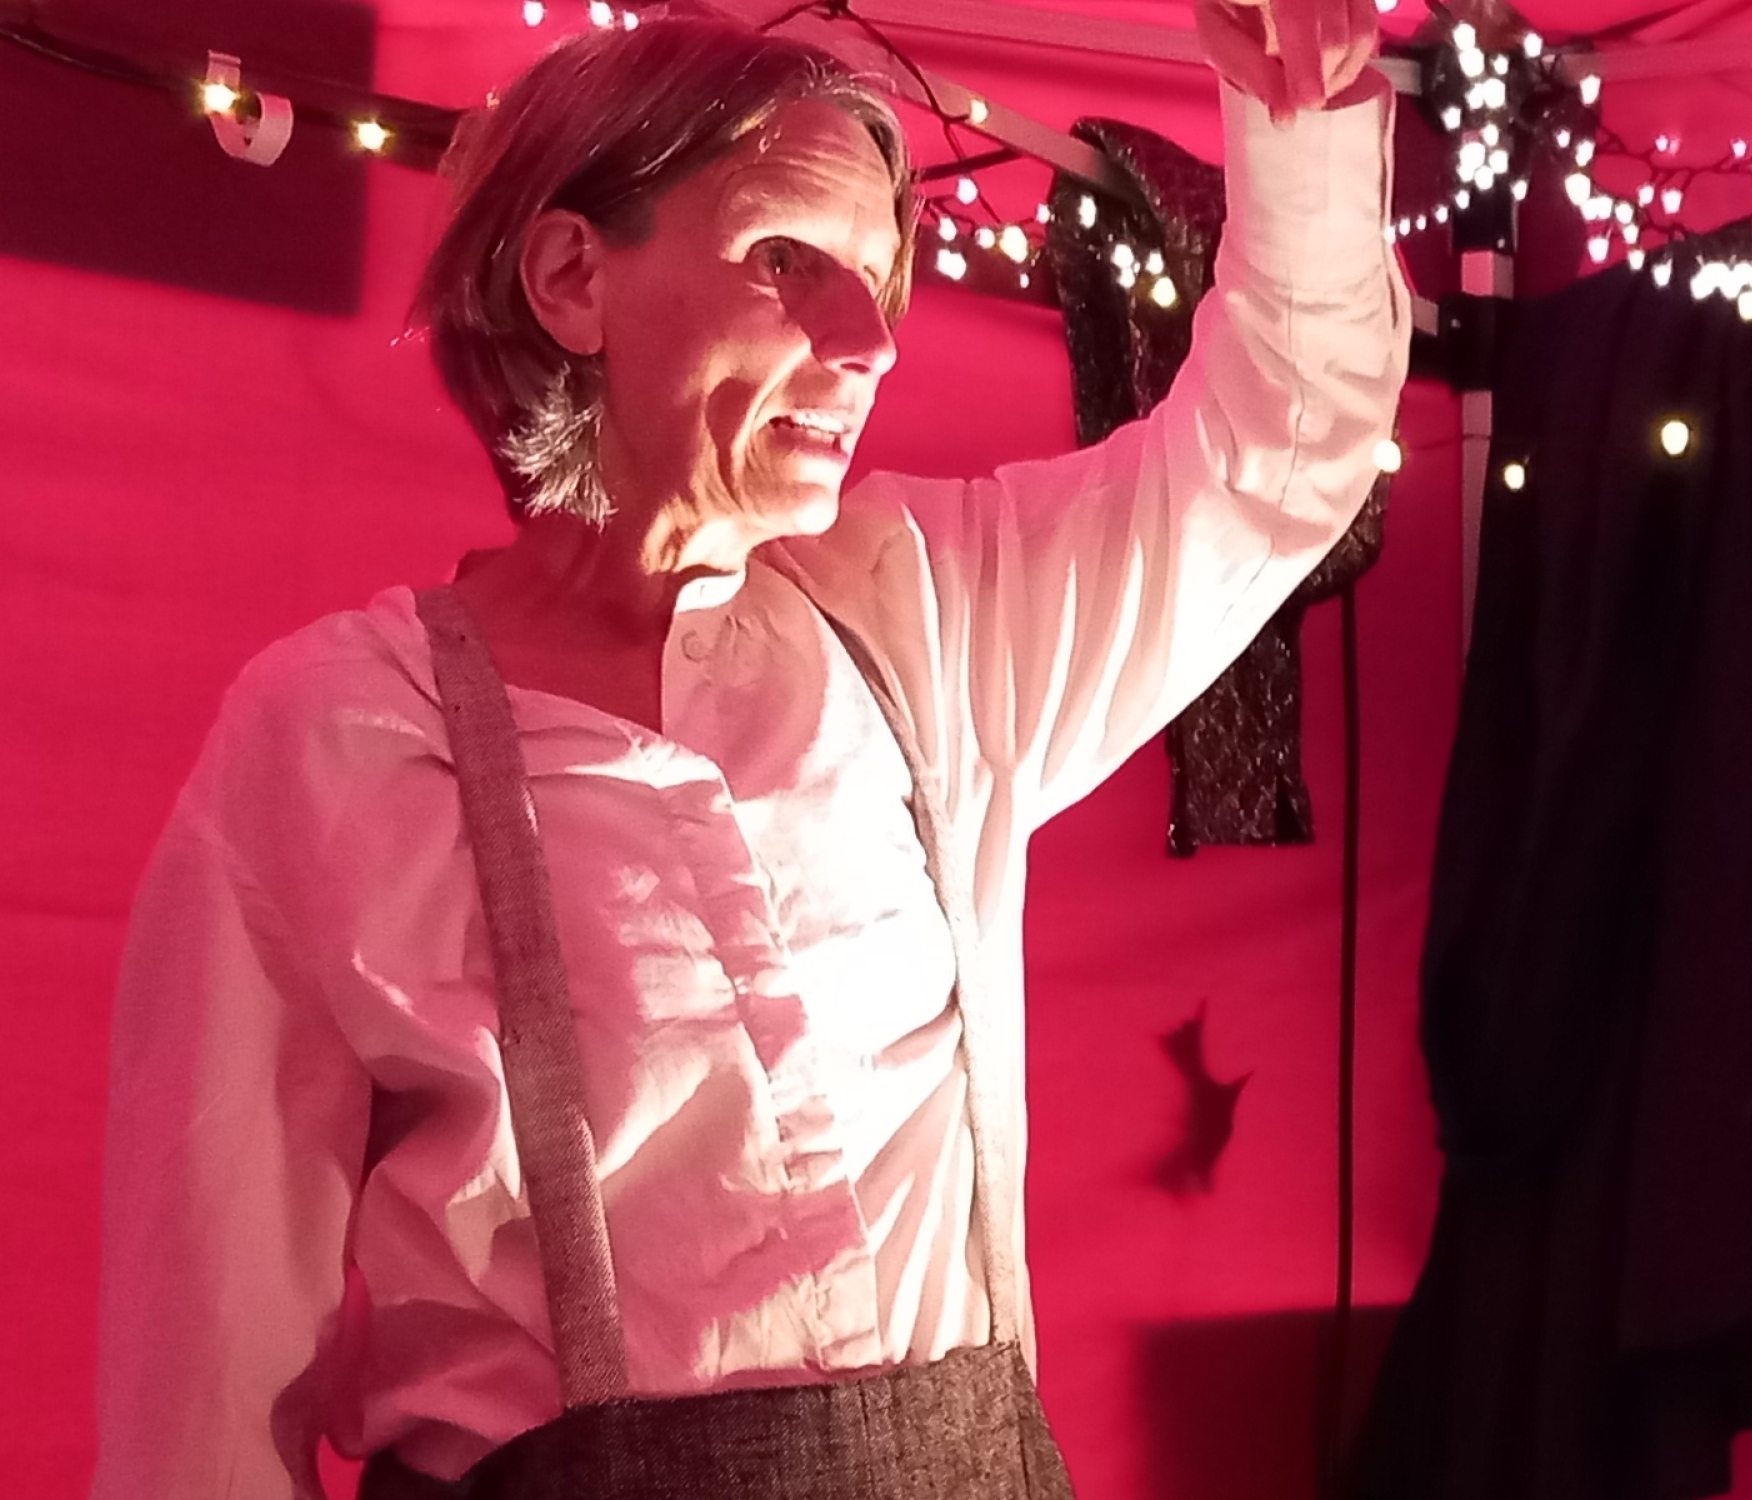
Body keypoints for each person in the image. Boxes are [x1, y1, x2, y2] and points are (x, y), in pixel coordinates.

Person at [91, 0, 1410, 1495]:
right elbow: (200, 1400)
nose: (872, 343)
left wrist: (1302, 108)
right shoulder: (334, 739)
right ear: (573, 277)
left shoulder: (930, 614)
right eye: (788, 260)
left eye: (881, 279)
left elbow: (1279, 453)